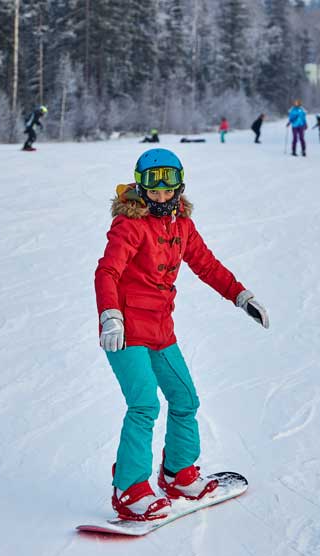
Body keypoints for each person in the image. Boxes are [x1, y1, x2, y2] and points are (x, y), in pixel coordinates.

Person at [94, 148, 269, 521]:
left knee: (185, 398)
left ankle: (178, 474)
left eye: (168, 188)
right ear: (141, 187)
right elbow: (107, 271)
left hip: (160, 329)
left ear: (179, 186)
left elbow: (207, 265)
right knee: (144, 405)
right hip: (124, 331)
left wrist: (240, 295)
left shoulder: (182, 225)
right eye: (153, 189)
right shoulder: (130, 225)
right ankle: (129, 490)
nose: (161, 196)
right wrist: (110, 316)